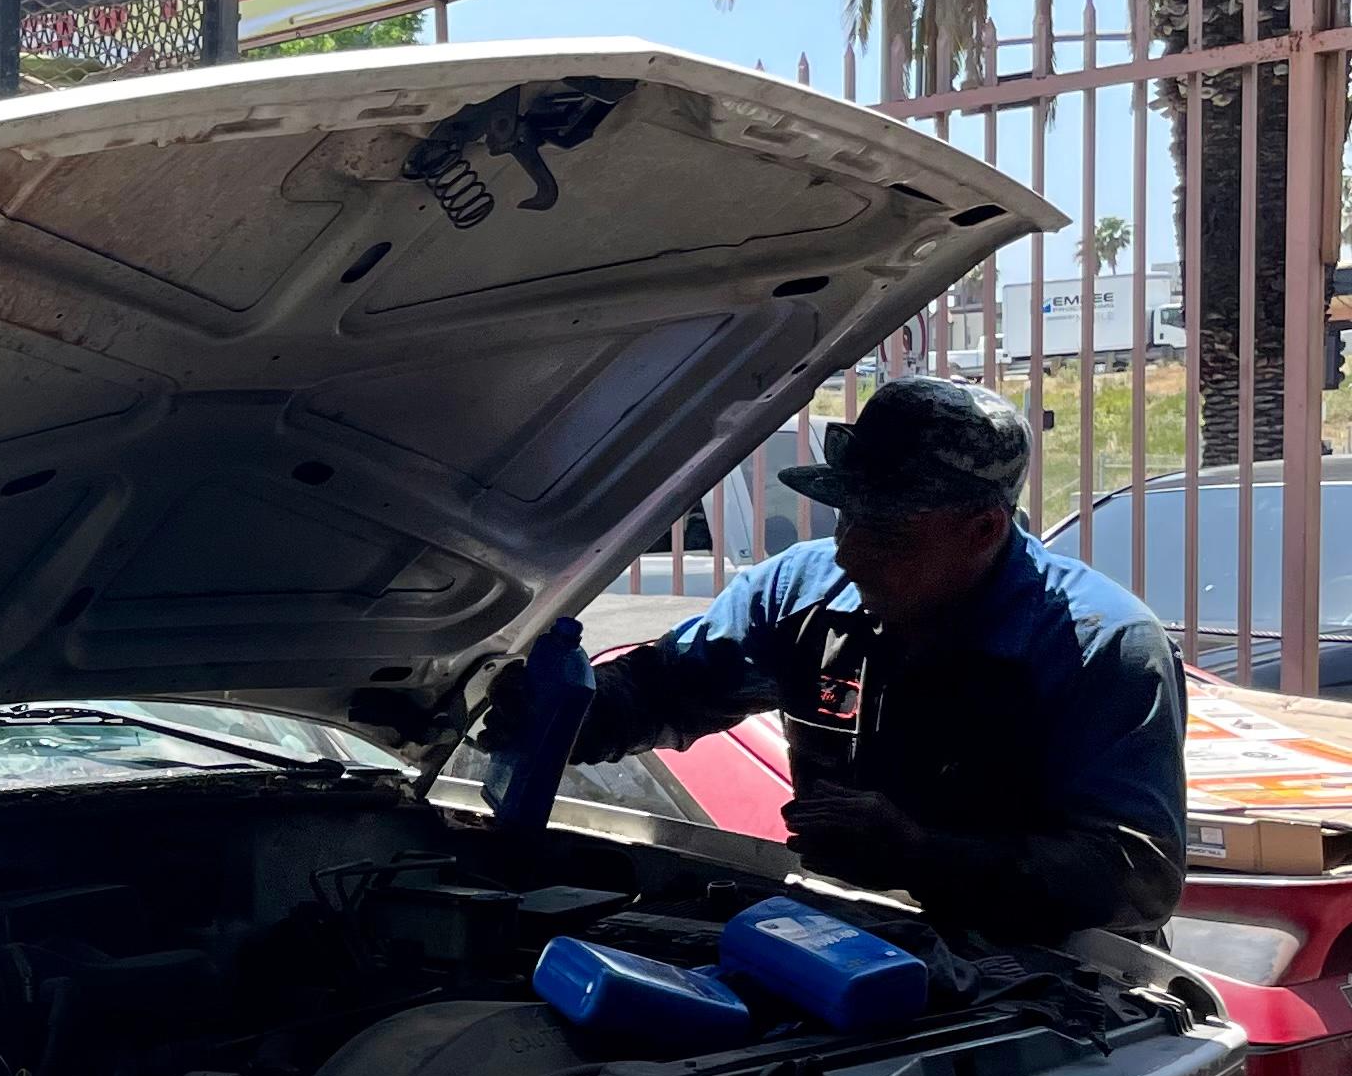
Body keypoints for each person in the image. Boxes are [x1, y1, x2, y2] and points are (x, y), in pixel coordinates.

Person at [505, 376, 1187, 946]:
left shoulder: (1102, 646)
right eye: (845, 517)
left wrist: (922, 853)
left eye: (887, 532)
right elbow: (667, 689)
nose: (848, 553)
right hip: (851, 941)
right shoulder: (799, 593)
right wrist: (558, 712)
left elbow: (1137, 878)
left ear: (984, 530)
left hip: (1057, 983)